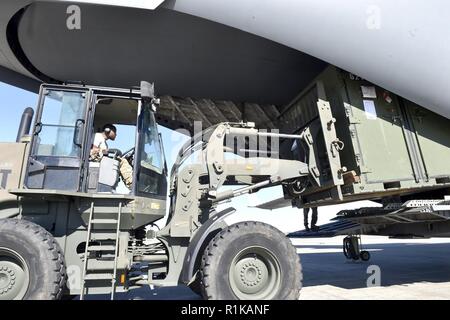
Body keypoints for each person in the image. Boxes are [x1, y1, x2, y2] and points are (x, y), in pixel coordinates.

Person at [90, 124, 133, 189]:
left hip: (101, 162)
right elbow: (93, 150)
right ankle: (131, 183)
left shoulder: (104, 142)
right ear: (107, 130)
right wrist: (110, 151)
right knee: (122, 161)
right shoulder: (98, 136)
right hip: (96, 161)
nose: (116, 134)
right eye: (115, 132)